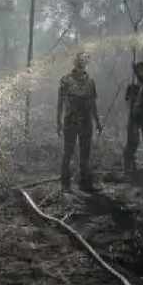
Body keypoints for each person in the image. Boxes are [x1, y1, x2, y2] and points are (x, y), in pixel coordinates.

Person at [57, 52, 102, 191]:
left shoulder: (90, 81)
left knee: (85, 153)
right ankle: (65, 184)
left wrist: (98, 121)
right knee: (68, 152)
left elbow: (93, 103)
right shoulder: (65, 80)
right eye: (79, 61)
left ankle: (84, 182)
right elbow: (60, 103)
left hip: (86, 121)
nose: (81, 63)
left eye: (84, 61)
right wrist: (58, 121)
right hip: (70, 120)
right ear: (75, 63)